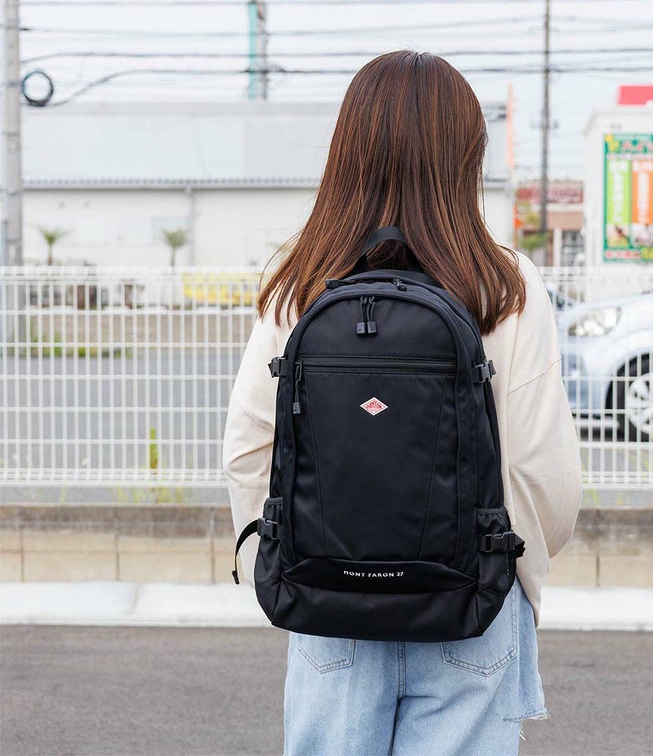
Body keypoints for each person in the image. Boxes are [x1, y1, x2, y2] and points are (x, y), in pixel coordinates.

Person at [222, 50, 583, 756]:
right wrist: (514, 568)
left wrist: (286, 557)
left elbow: (248, 447)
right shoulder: (504, 284)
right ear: (464, 158)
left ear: (348, 153)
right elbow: (542, 471)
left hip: (328, 599)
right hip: (469, 599)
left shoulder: (301, 281)